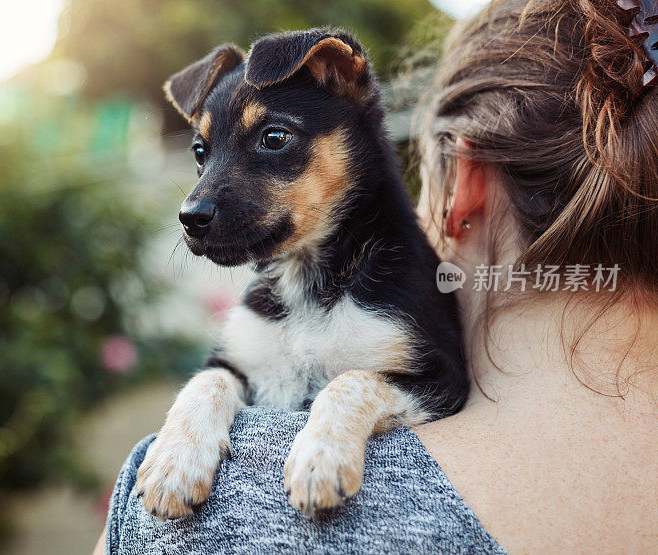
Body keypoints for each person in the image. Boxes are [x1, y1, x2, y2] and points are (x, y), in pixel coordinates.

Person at [95, 0, 658, 552]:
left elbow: (435, 384)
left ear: (465, 178)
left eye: (273, 141)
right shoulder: (266, 306)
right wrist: (199, 410)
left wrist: (351, 401)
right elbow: (230, 372)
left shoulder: (399, 294)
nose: (201, 198)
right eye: (203, 152)